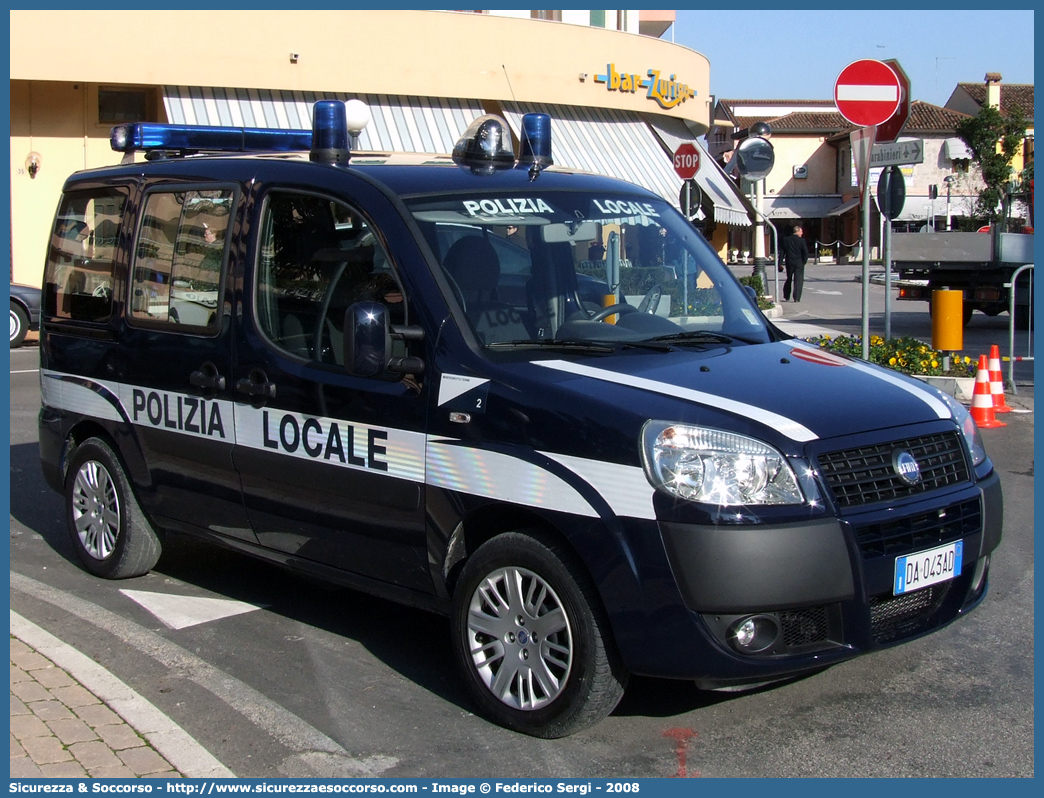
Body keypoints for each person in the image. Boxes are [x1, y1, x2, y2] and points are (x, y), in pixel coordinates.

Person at [779, 224, 809, 302]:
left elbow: (782, 253)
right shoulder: (801, 240)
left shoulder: (786, 240)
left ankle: (786, 295)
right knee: (798, 280)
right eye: (801, 232)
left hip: (789, 262)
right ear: (798, 231)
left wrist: (780, 263)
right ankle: (797, 297)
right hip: (799, 262)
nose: (802, 233)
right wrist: (804, 261)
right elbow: (805, 252)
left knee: (789, 278)